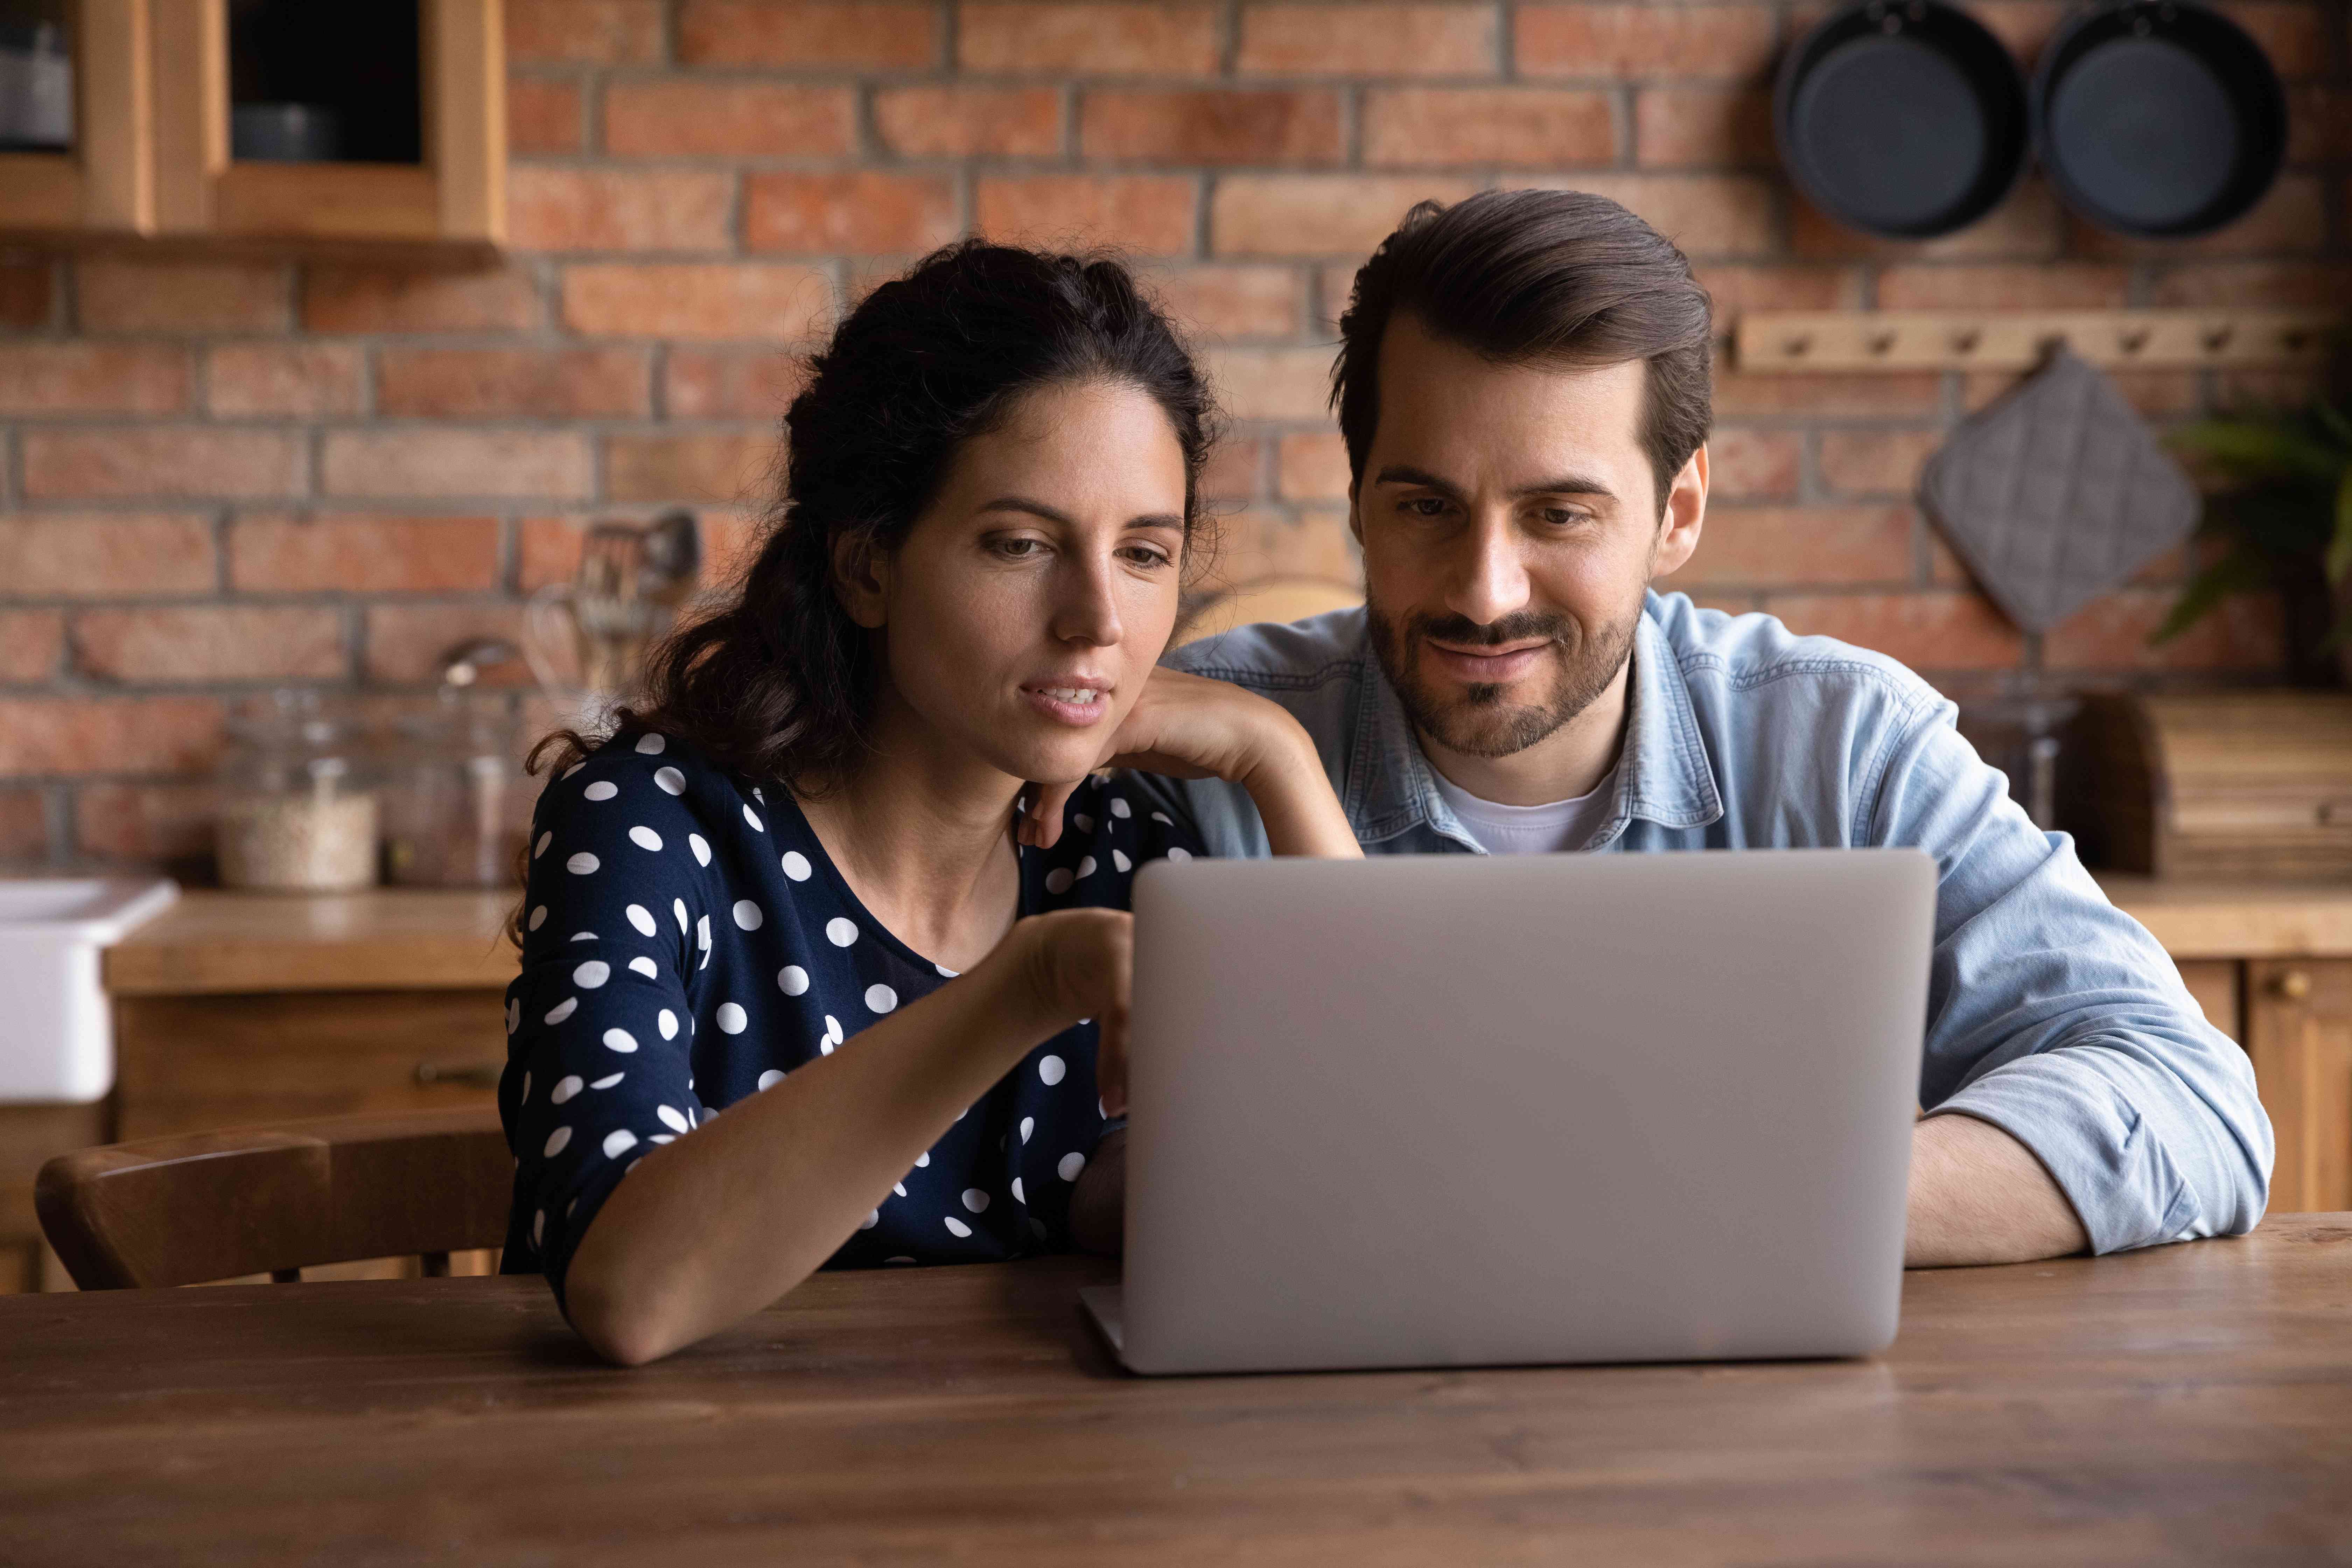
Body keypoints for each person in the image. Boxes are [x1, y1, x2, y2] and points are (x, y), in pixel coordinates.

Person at [1036, 189, 2272, 1268]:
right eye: (1425, 506)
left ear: (1676, 514)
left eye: (1559, 515)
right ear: (1358, 496)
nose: (1485, 588)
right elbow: (1063, 1168)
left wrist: (1715, 1205)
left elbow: (2188, 1102)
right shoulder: (1196, 754)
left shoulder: (1845, 746)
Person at [499, 241, 1359, 1366]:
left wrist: (1278, 756)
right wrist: (1030, 985)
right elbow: (630, 1294)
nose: (1098, 617)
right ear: (867, 566)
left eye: (1144, 553)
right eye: (1021, 544)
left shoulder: (1119, 851)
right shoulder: (653, 830)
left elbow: (1363, 1202)